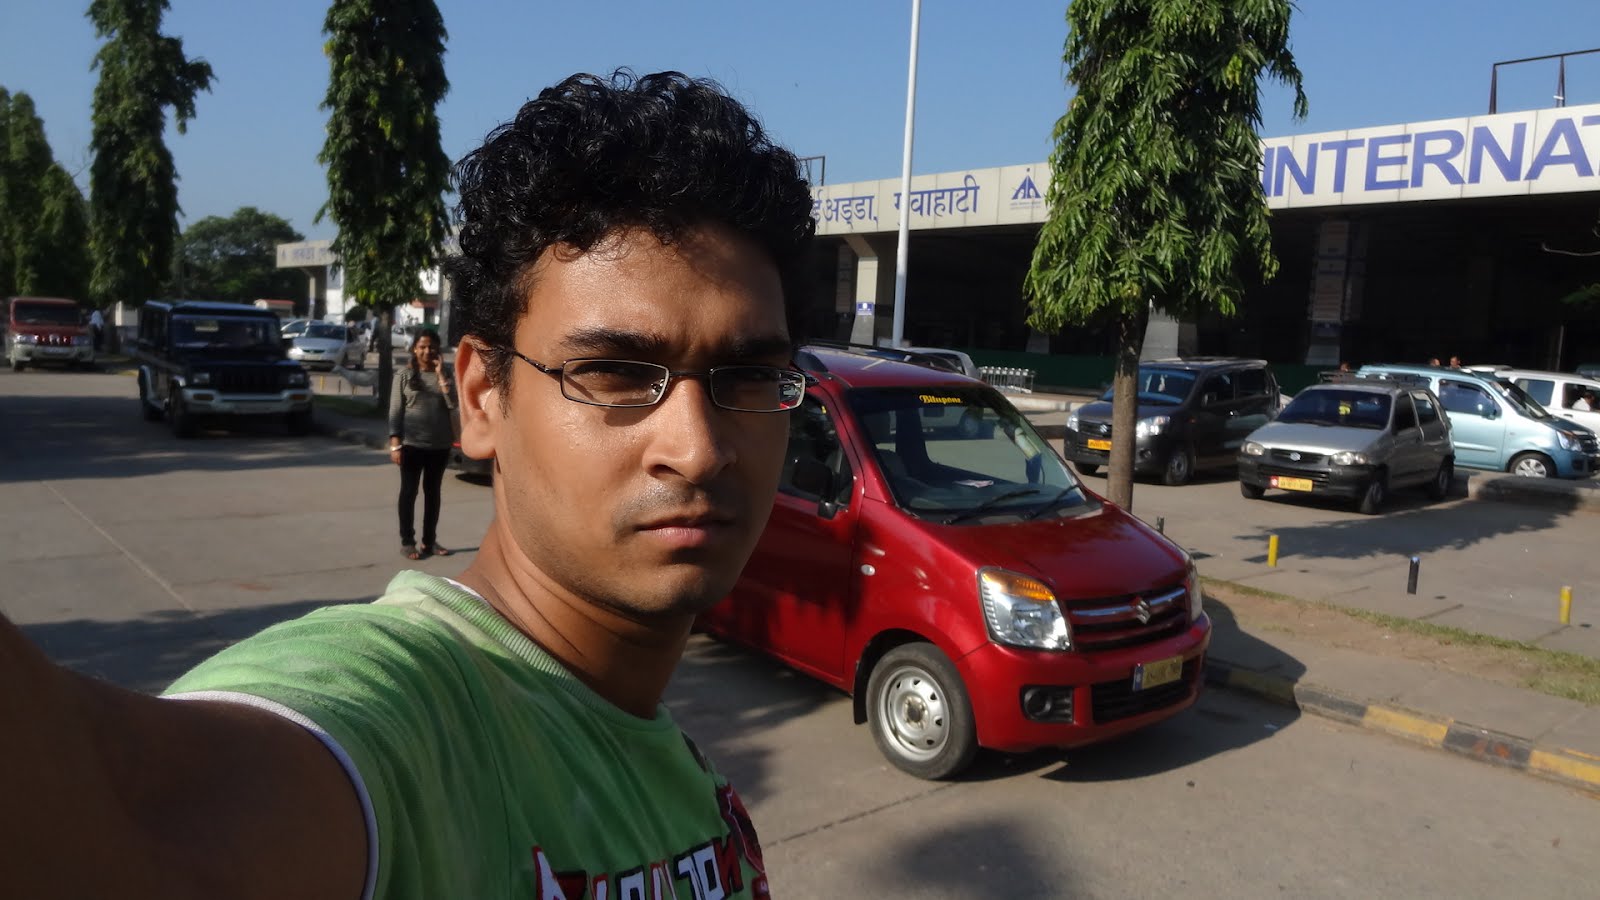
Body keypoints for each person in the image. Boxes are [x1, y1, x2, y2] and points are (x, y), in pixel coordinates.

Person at [0, 70, 812, 899]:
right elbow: (135, 816)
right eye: (613, 372)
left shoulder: (685, 776)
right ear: (481, 397)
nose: (698, 448)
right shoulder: (407, 719)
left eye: (749, 375)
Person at [389, 329, 456, 560]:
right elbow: (395, 411)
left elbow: (453, 404)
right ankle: (408, 542)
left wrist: (441, 376)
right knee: (409, 493)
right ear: (414, 348)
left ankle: (429, 541)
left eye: (432, 347)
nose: (427, 351)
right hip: (411, 445)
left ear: (438, 349)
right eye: (422, 347)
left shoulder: (446, 373)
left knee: (433, 493)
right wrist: (395, 444)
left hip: (440, 445)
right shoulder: (404, 375)